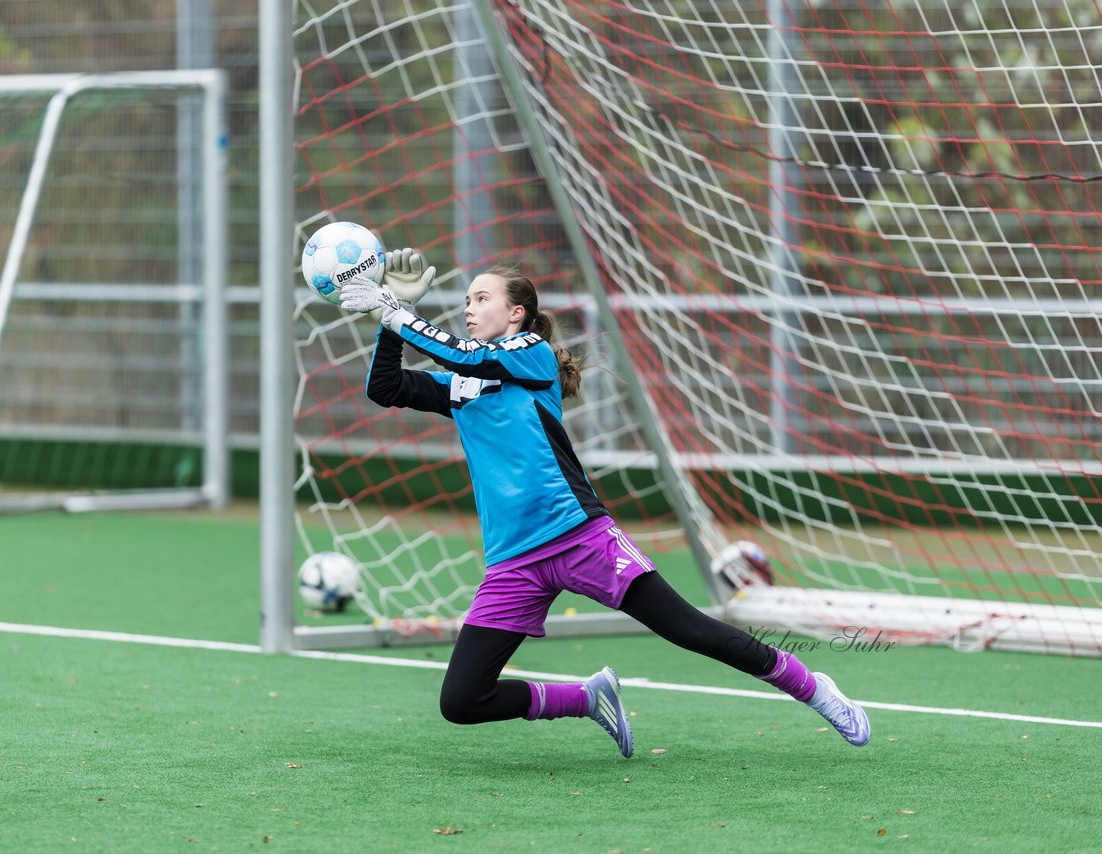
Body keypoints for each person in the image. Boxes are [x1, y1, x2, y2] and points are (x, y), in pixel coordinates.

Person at [338, 252, 870, 758]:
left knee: (688, 628)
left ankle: (812, 688)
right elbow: (386, 387)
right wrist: (389, 323)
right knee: (461, 701)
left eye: (481, 299)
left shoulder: (531, 355)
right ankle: (588, 698)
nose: (469, 309)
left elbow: (470, 355)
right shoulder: (460, 385)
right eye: (468, 301)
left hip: (578, 535)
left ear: (516, 313)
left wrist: (396, 310)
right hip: (513, 560)